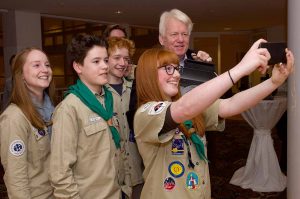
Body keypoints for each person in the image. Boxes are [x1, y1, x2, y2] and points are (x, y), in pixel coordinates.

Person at [133, 39, 294, 198]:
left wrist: (273, 83)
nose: (175, 74)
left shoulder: (188, 109)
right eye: (168, 68)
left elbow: (230, 104)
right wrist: (242, 68)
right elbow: (183, 108)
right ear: (149, 74)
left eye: (176, 68)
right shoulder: (145, 113)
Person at [49, 34, 130, 198]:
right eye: (96, 61)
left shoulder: (109, 99)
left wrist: (126, 188)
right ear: (78, 67)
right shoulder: (69, 109)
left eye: (106, 60)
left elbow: (119, 148)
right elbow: (60, 172)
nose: (104, 66)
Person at [0, 47, 55, 198]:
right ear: (21, 75)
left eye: (47, 65)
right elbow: (16, 179)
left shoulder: (54, 111)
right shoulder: (14, 118)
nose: (45, 70)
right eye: (36, 65)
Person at [106, 37, 144, 199]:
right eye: (116, 58)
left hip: (139, 172)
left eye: (126, 59)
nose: (122, 63)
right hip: (112, 178)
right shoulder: (98, 95)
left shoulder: (136, 89)